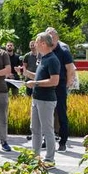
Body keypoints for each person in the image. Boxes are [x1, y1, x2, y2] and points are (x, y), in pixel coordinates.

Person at [24, 32, 60, 166]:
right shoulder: (43, 58)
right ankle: (36, 158)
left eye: (37, 42)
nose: (35, 44)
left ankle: (50, 160)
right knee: (35, 129)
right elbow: (39, 77)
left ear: (44, 44)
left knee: (47, 130)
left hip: (46, 100)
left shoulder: (52, 59)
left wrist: (35, 83)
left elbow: (54, 81)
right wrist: (28, 74)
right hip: (37, 98)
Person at [46, 27, 75, 152]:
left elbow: (70, 69)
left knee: (61, 114)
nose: (50, 38)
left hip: (60, 87)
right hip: (46, 87)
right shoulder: (44, 52)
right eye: (48, 36)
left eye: (52, 36)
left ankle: (63, 142)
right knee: (47, 115)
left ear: (57, 37)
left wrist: (67, 84)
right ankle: (46, 140)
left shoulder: (64, 52)